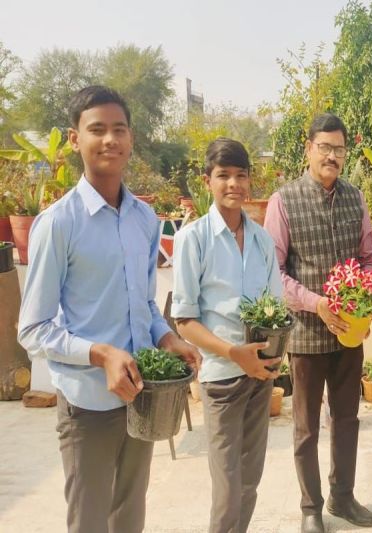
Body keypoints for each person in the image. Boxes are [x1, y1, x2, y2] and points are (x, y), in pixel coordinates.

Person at [17, 85, 200, 533]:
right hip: (88, 404)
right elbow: (33, 328)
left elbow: (145, 306)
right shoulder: (58, 224)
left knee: (129, 514)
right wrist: (101, 353)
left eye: (119, 129)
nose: (110, 140)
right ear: (74, 138)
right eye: (96, 129)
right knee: (91, 521)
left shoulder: (143, 219)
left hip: (143, 397)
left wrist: (169, 337)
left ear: (131, 139)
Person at [264, 113, 372, 533]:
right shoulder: (284, 200)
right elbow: (273, 271)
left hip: (350, 333)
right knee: (307, 427)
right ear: (308, 148)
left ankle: (342, 497)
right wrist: (317, 303)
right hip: (307, 333)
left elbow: (369, 257)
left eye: (339, 149)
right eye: (324, 147)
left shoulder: (355, 198)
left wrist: (363, 305)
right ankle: (311, 507)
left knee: (347, 420)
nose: (332, 155)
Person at [172, 138, 282, 533]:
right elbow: (184, 320)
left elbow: (276, 308)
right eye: (224, 176)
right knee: (227, 487)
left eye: (240, 175)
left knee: (250, 480)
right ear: (208, 181)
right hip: (221, 377)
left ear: (250, 181)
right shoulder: (193, 239)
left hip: (259, 377)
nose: (233, 183)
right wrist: (234, 353)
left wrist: (269, 357)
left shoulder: (261, 240)